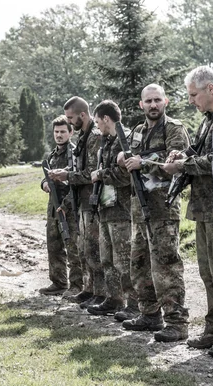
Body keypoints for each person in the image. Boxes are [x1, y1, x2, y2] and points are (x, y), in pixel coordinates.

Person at [161, 66, 213, 355]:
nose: (191, 101)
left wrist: (183, 165)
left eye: (194, 95)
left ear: (211, 88)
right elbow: (200, 151)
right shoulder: (208, 119)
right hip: (204, 207)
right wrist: (182, 155)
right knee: (208, 272)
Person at [119, 84, 191, 342]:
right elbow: (129, 158)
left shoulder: (174, 129)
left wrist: (144, 162)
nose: (153, 105)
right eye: (148, 101)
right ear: (141, 104)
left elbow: (177, 161)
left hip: (163, 207)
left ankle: (177, 322)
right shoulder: (137, 131)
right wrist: (123, 158)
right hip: (139, 208)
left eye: (157, 100)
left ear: (165, 102)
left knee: (166, 266)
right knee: (139, 264)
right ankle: (149, 315)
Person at [49, 96, 105, 308]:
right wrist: (67, 172)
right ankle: (90, 290)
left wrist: (67, 176)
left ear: (83, 115)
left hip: (93, 202)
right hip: (81, 202)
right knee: (85, 251)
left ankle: (101, 294)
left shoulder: (95, 137)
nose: (69, 123)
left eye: (71, 118)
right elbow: (81, 170)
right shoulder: (84, 136)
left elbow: (91, 173)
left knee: (94, 252)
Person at [87, 100, 139, 319]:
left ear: (106, 119)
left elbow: (126, 175)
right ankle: (114, 298)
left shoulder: (124, 140)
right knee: (107, 258)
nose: (97, 126)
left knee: (124, 260)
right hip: (105, 208)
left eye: (98, 121)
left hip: (122, 209)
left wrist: (101, 174)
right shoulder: (106, 142)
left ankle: (134, 304)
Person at [39, 116, 83, 297]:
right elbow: (45, 176)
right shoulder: (52, 155)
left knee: (73, 247)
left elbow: (78, 180)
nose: (59, 135)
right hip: (53, 208)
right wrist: (44, 184)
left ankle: (77, 286)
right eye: (56, 132)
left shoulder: (75, 154)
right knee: (54, 245)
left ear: (70, 132)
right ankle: (58, 282)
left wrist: (66, 203)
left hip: (70, 207)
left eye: (63, 131)